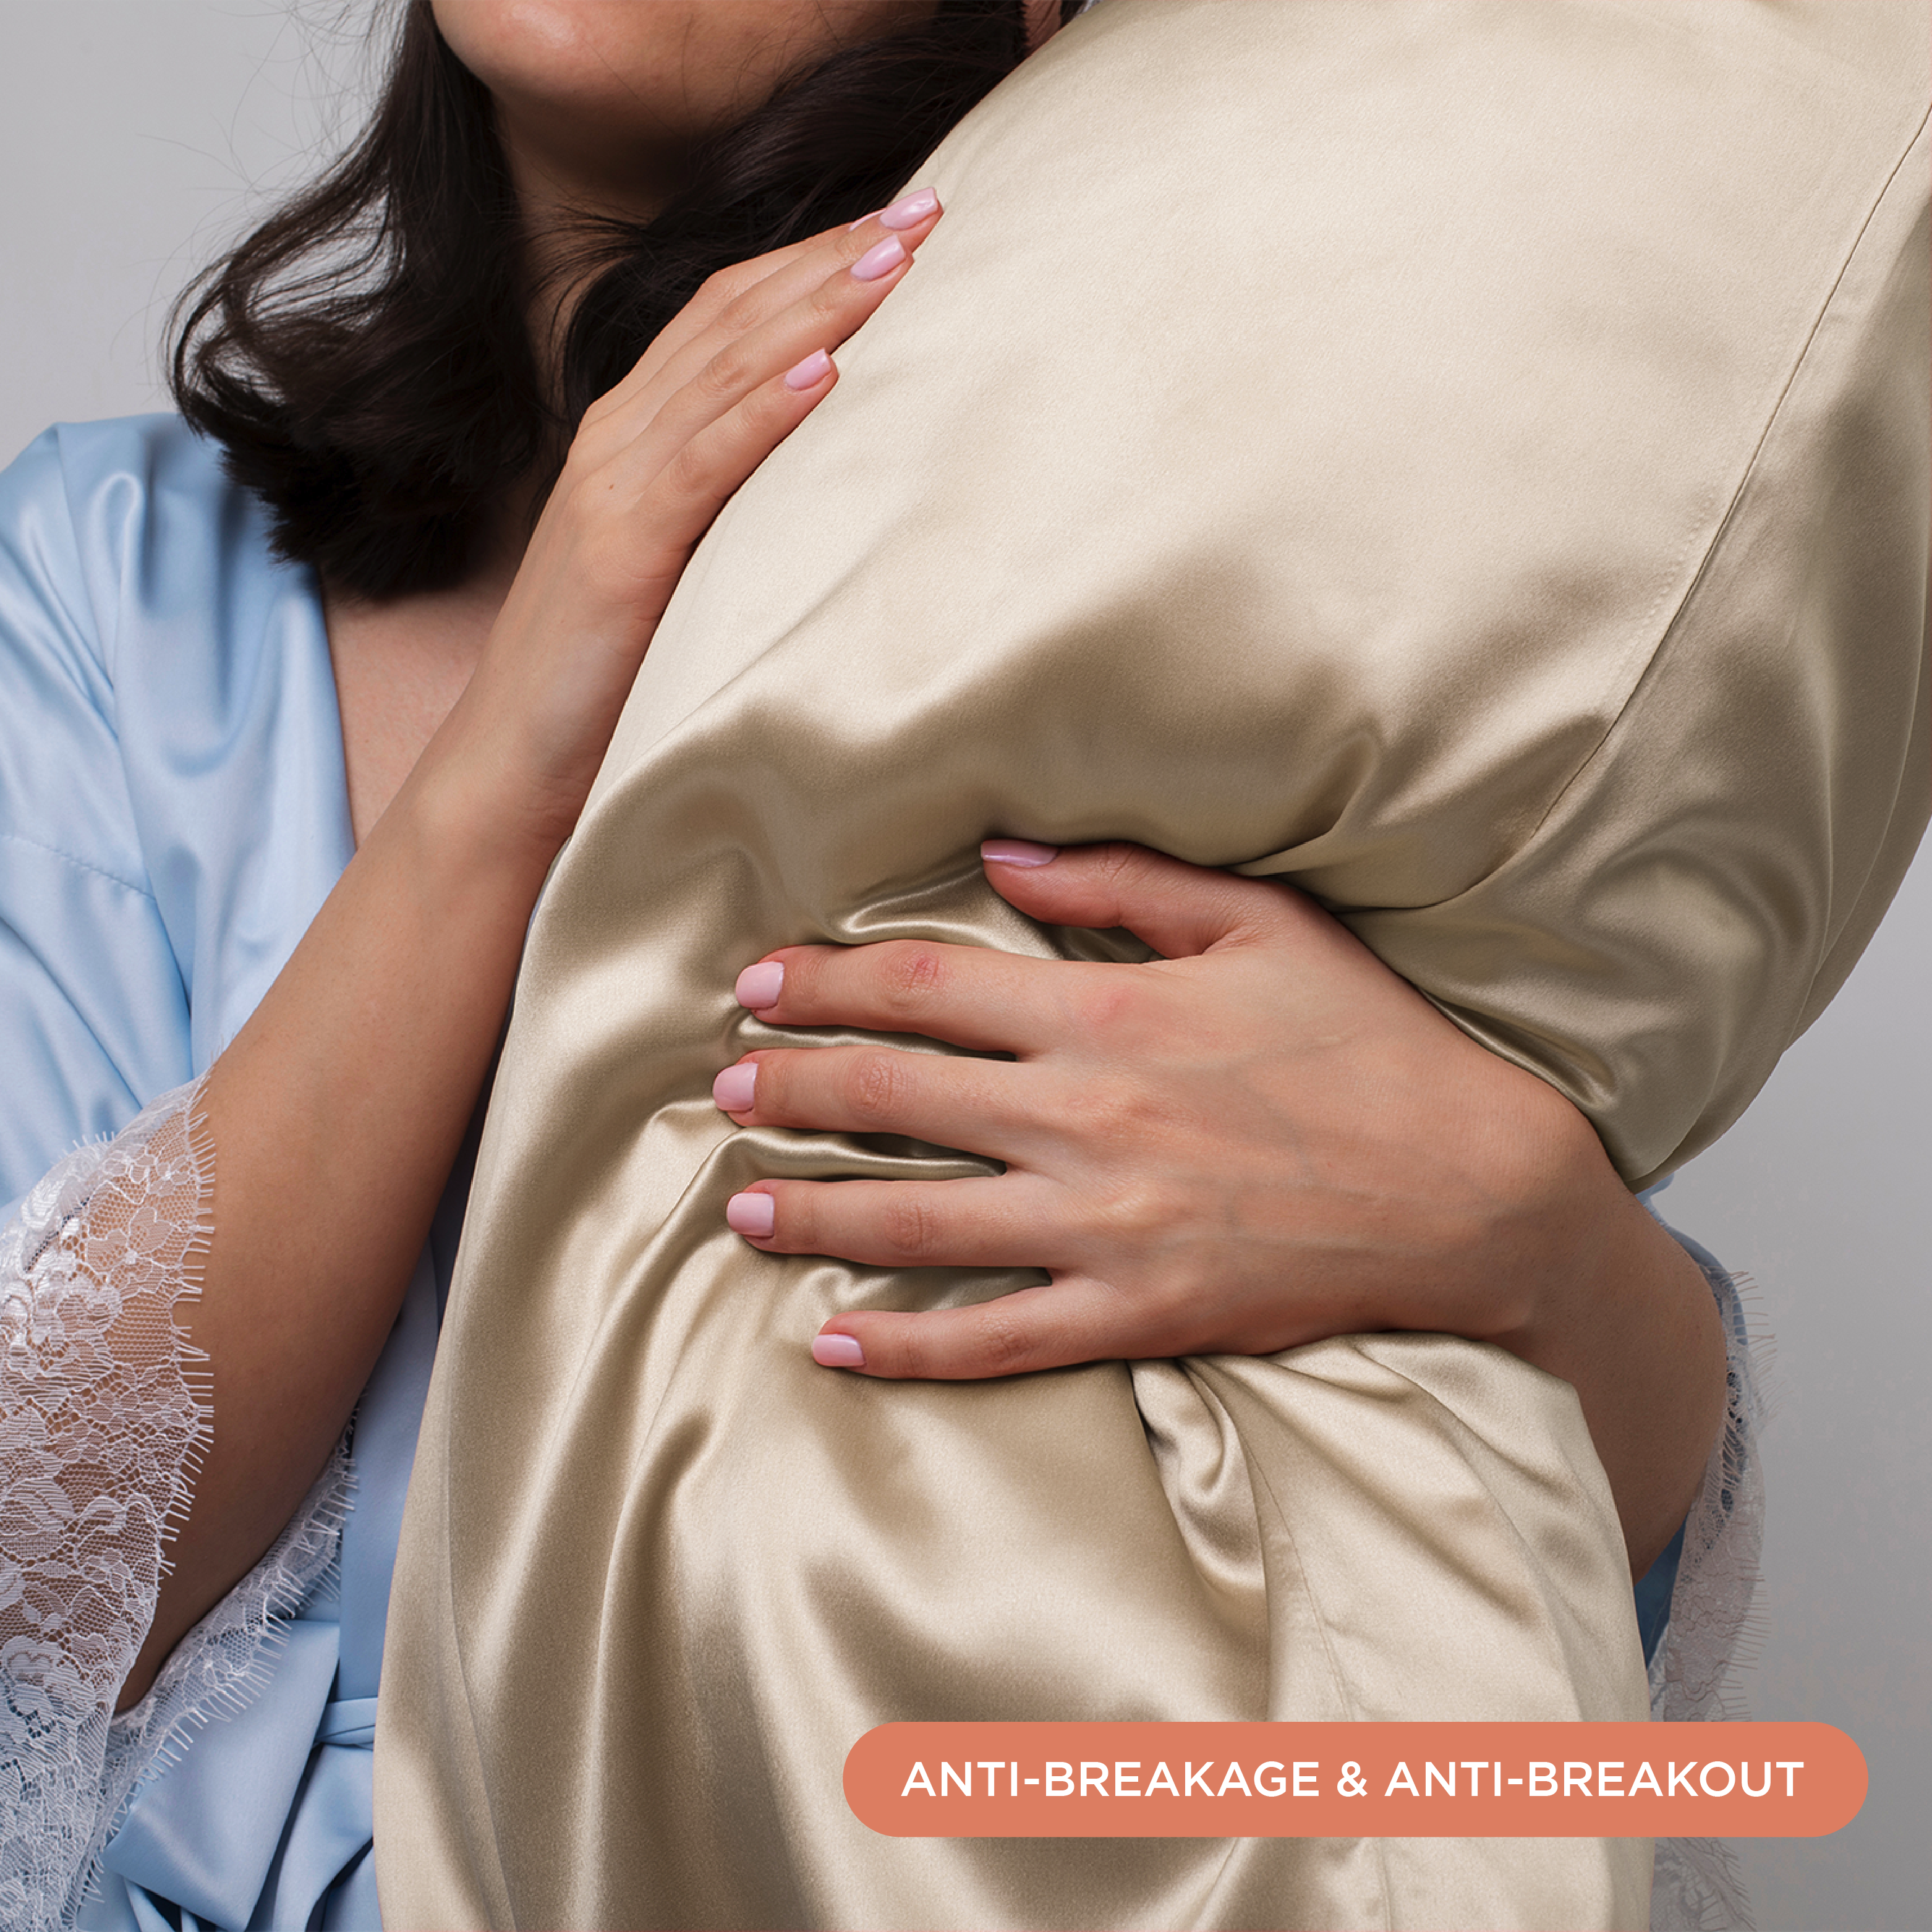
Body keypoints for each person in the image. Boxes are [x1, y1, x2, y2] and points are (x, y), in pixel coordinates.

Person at [12, 0, 1904, 1925]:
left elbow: (1456, 1599)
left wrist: (1533, 1233)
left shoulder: (1180, 572)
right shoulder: (110, 579)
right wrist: (511, 755)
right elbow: (39, 1562)